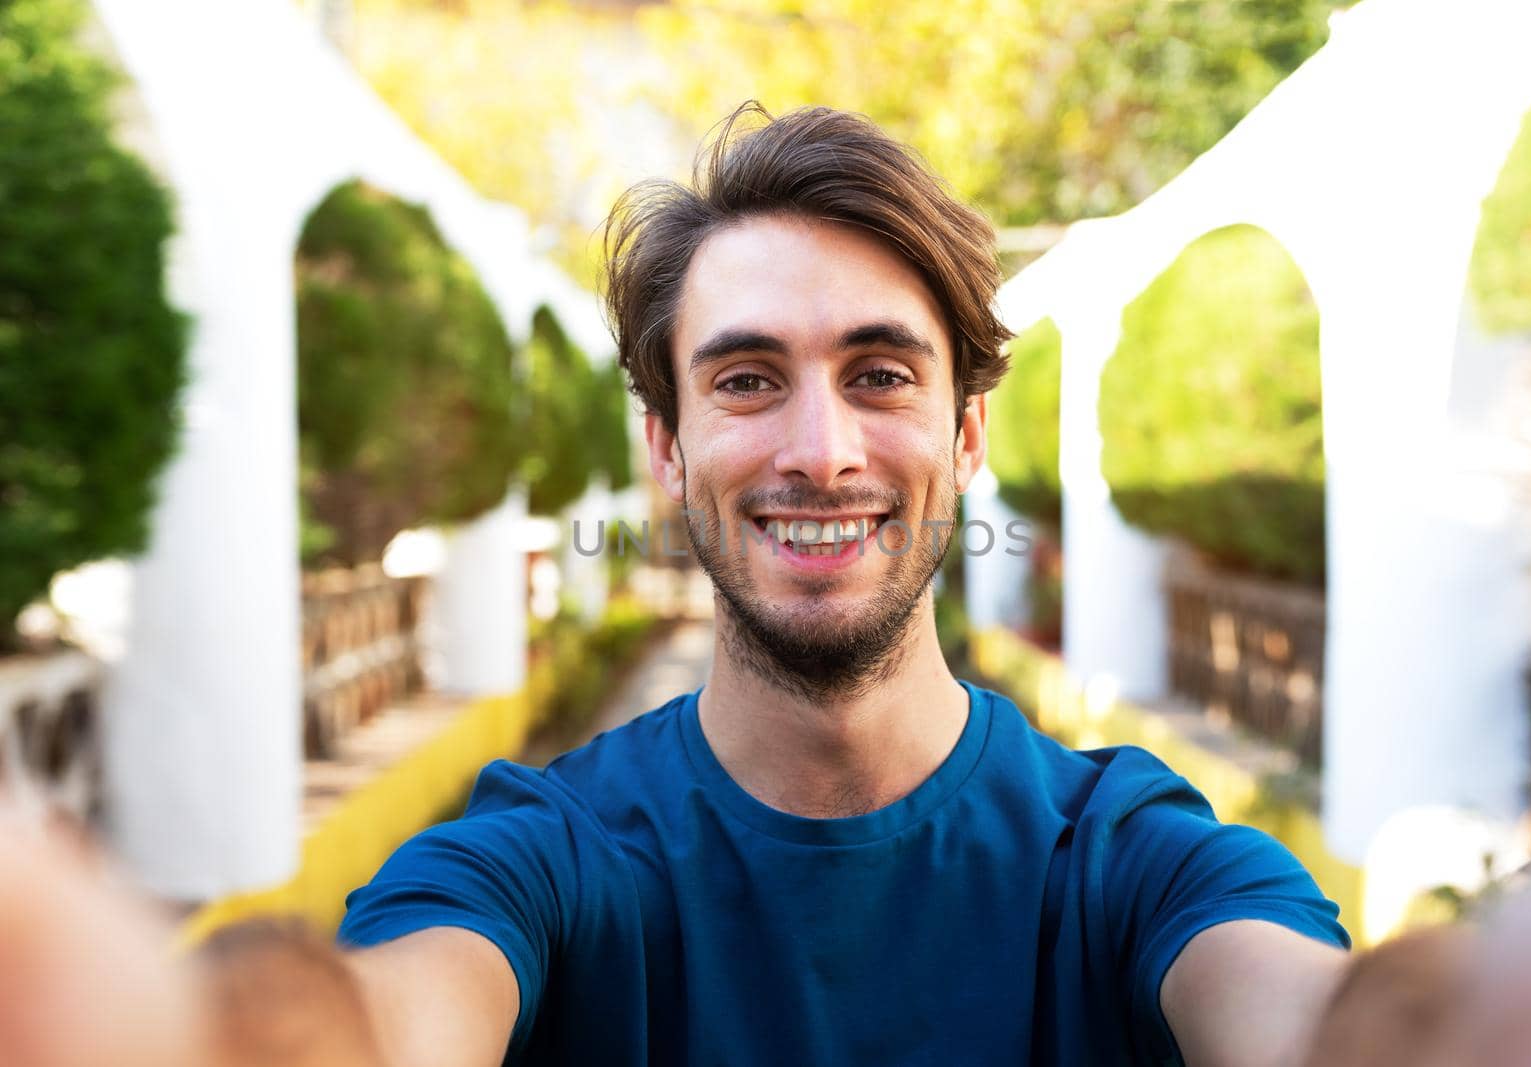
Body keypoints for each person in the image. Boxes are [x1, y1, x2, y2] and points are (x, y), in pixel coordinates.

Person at [0, 103, 1352, 1067]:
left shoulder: (1135, 866)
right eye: (747, 380)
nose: (820, 452)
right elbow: (383, 1019)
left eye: (880, 374)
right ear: (666, 445)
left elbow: (1321, 1024)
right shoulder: (540, 863)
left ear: (966, 433)